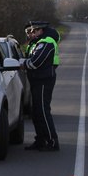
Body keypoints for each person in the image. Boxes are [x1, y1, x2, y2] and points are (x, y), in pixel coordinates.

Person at [23, 20, 60, 151]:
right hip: (37, 79)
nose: (32, 33)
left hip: (43, 80)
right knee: (36, 112)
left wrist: (22, 63)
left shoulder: (46, 42)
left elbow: (35, 62)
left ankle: (52, 141)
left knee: (43, 111)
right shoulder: (38, 42)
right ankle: (41, 140)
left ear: (41, 30)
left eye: (35, 30)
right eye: (31, 31)